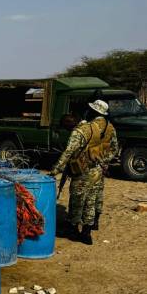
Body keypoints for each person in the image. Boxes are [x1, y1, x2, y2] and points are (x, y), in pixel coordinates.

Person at [49, 100, 117, 245]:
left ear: (94, 112)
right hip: (98, 170)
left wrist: (56, 170)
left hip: (82, 170)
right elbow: (113, 149)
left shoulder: (83, 129)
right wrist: (103, 161)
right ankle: (87, 233)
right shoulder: (109, 128)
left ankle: (73, 231)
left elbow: (68, 152)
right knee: (91, 201)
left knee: (77, 200)